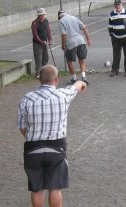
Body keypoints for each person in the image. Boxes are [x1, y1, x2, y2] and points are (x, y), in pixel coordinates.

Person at [17, 65, 87, 207]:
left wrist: (33, 137)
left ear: (40, 80)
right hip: (56, 147)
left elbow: (22, 127)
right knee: (55, 187)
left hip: (32, 148)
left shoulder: (26, 99)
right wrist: (82, 83)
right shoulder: (62, 95)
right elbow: (76, 86)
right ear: (56, 79)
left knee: (37, 188)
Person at [58, 10, 91, 85]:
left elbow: (64, 35)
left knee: (69, 61)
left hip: (70, 43)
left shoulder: (61, 21)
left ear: (59, 16)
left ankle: (74, 78)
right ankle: (84, 77)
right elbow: (84, 28)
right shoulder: (74, 18)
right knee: (82, 60)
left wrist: (63, 45)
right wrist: (88, 39)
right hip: (81, 40)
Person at [108, 0, 126, 77]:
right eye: (116, 5)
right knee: (116, 55)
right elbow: (110, 26)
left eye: (118, 4)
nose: (117, 6)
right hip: (115, 38)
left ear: (121, 4)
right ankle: (115, 70)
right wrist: (112, 35)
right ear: (114, 5)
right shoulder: (111, 14)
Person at [32, 8, 53, 78]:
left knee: (45, 57)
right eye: (41, 15)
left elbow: (49, 30)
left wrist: (49, 40)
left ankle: (43, 72)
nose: (43, 16)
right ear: (38, 15)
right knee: (38, 58)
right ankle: (38, 74)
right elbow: (35, 35)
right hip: (37, 43)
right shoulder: (35, 23)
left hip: (44, 42)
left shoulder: (46, 21)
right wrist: (41, 42)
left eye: (43, 15)